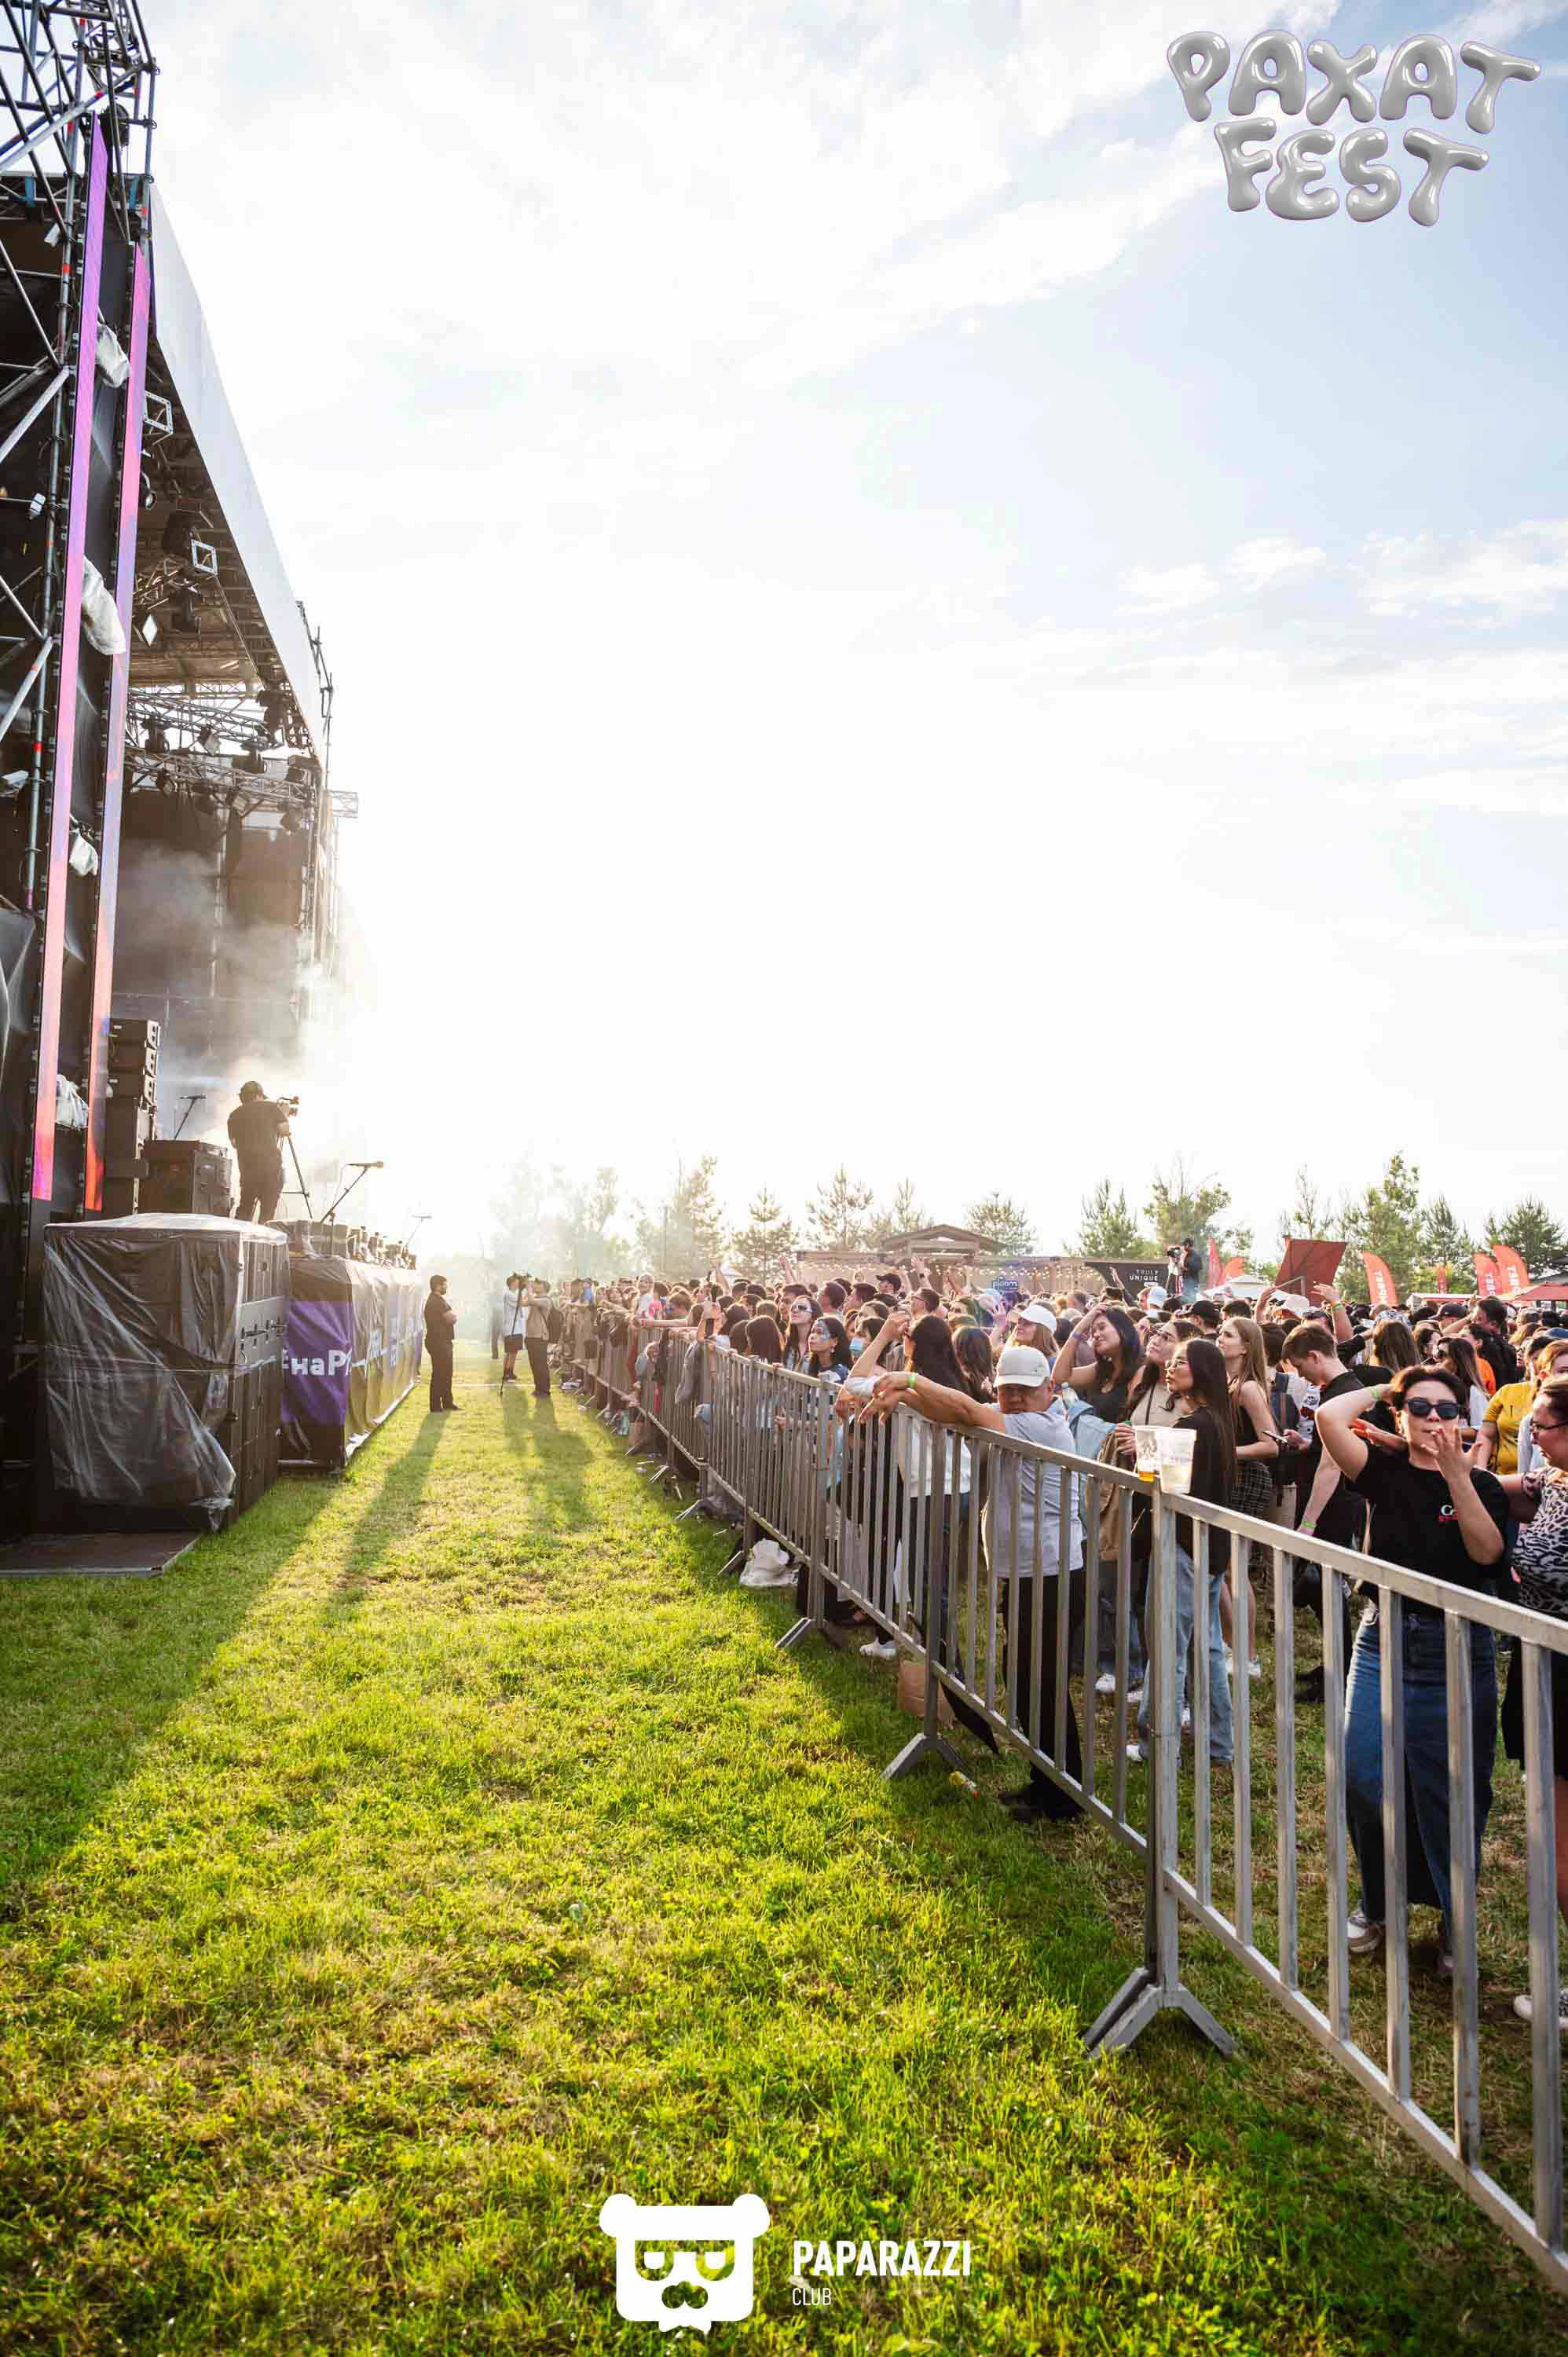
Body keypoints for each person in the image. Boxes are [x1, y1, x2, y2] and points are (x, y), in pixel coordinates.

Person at [1316, 1364, 1509, 1972]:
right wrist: (1391, 1389)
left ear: (1463, 1420)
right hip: (1383, 1640)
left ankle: (1454, 1917)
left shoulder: (1484, 1485)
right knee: (1364, 1777)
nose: (1433, 1419)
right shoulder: (1385, 1472)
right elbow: (1329, 1416)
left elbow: (1487, 1553)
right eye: (1419, 1408)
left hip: (1458, 1648)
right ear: (1400, 1417)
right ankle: (1378, 1904)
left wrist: (1457, 1475)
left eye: (1446, 1410)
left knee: (1453, 1790)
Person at [862, 1341, 1083, 1824]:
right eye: (1007, 1390)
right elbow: (955, 1412)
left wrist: (909, 1382)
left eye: (1025, 1390)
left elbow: (962, 1409)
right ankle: (1047, 1783)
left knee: (1040, 1682)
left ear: (1049, 1388)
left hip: (1051, 1571)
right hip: (1029, 1569)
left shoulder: (1041, 1425)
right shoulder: (1014, 1418)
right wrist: (904, 1396)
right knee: (1024, 1677)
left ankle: (1064, 1796)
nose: (1014, 1399)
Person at [1498, 1375, 1568, 2022]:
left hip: (1564, 1673)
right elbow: (1503, 1487)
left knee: (1563, 1842)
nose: (1532, 1438)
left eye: (1541, 1428)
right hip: (1540, 1659)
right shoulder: (1557, 1481)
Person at [1131, 1337, 1236, 1767]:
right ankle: (1218, 1743)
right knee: (1206, 1648)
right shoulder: (1218, 1422)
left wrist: (1141, 1449)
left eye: (1180, 1362)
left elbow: (1160, 1487)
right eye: (1171, 1362)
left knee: (1169, 1648)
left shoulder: (1191, 1426)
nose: (1170, 1369)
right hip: (1210, 1548)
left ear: (1203, 1372)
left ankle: (1159, 1745)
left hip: (1182, 1545)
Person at [1280, 1318, 1368, 1705]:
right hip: (1334, 1503)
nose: (1302, 1376)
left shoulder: (1342, 1394)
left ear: (1315, 1356)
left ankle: (1340, 1673)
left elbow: (1331, 1467)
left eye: (1302, 1367)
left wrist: (1308, 1524)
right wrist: (1306, 1446)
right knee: (1326, 1596)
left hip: (1335, 1506)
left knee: (1327, 1593)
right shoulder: (1342, 1390)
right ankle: (1336, 1664)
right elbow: (1327, 1451)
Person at [226, 1080, 290, 1224]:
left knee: (245, 1209)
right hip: (270, 1168)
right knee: (267, 1211)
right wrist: (284, 1114)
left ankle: (239, 1235)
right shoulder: (271, 1107)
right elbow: (284, 1131)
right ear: (258, 1096)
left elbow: (234, 1143)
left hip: (247, 1169)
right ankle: (264, 1235)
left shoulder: (234, 1115)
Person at [425, 1274, 457, 1413]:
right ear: (438, 1286)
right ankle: (435, 1406)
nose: (446, 1287)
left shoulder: (439, 1300)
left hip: (443, 1341)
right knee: (439, 1374)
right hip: (438, 1342)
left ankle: (447, 1402)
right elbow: (451, 1318)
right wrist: (454, 1316)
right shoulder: (435, 1301)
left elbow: (450, 1316)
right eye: (444, 1284)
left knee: (447, 1373)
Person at [524, 1279, 554, 1397]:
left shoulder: (546, 1300)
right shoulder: (535, 1298)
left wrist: (528, 1287)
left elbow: (531, 1301)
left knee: (541, 1364)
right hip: (531, 1336)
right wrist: (524, 1289)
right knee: (534, 1364)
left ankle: (545, 1390)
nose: (535, 1285)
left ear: (544, 1287)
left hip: (540, 1336)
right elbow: (521, 1303)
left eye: (538, 1284)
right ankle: (538, 1388)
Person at [499, 1272, 527, 1384]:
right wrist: (523, 1290)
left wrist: (522, 1290)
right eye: (517, 1282)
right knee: (511, 1352)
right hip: (511, 1327)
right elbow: (521, 1303)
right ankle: (507, 1373)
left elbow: (520, 1300)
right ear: (512, 1283)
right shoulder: (509, 1294)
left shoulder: (513, 1294)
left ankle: (510, 1372)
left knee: (513, 1352)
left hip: (515, 1327)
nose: (518, 1284)